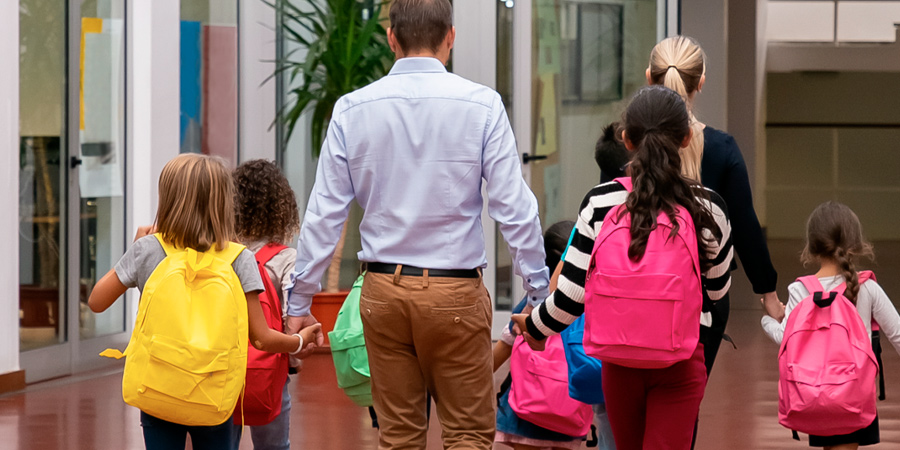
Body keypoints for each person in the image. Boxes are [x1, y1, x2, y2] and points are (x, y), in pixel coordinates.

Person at [284, 0, 550, 448]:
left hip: (382, 294)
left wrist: (298, 303)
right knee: (467, 433)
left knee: (400, 436)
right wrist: (539, 292)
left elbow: (324, 215)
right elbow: (513, 208)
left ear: (391, 37)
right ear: (450, 35)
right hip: (455, 295)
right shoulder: (483, 106)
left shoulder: (351, 109)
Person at [514, 86, 734, 450]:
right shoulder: (709, 208)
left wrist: (535, 326)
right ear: (686, 138)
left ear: (627, 139)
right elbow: (716, 291)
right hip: (679, 362)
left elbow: (571, 296)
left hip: (619, 363)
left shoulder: (600, 202)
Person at [87, 154, 320, 450]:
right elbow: (261, 339)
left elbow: (96, 301)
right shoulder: (238, 258)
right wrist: (299, 342)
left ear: (167, 200)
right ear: (224, 203)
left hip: (158, 390)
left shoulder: (147, 250)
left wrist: (135, 251)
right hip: (214, 394)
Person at [647, 35, 782, 374]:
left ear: (649, 77)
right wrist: (767, 292)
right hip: (703, 300)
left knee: (626, 412)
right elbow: (745, 226)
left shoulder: (628, 145)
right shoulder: (722, 149)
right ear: (701, 83)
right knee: (682, 406)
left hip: (633, 292)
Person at [761, 201, 900, 450]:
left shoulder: (799, 289)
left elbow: (785, 339)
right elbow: (898, 335)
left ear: (812, 246)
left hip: (813, 394)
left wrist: (769, 319)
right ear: (855, 244)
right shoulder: (866, 287)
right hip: (854, 395)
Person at [493, 221, 584, 450]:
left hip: (525, 412)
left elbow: (501, 351)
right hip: (569, 411)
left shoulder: (531, 306)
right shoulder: (587, 307)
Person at [232, 159, 303, 450]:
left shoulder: (222, 251)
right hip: (269, 366)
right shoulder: (286, 258)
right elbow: (291, 314)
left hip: (222, 363)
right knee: (273, 445)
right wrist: (295, 353)